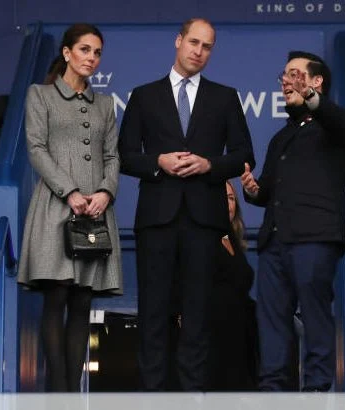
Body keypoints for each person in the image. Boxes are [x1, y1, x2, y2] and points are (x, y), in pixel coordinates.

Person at [118, 18, 255, 391]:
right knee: (153, 315)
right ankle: (153, 398)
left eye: (207, 46)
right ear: (178, 41)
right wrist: (157, 163)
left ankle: (193, 398)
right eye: (193, 42)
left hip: (204, 220)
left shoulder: (225, 97)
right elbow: (125, 156)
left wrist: (211, 165)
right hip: (157, 219)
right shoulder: (144, 96)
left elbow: (245, 155)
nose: (199, 51)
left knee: (197, 316)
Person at [241, 51, 345, 392]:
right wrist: (253, 190)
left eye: (296, 75)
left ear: (316, 82)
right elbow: (267, 194)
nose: (286, 82)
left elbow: (337, 120)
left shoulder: (336, 124)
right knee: (272, 322)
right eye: (285, 76)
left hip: (314, 239)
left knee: (315, 316)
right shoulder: (281, 137)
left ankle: (317, 391)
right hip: (274, 242)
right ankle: (274, 393)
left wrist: (308, 95)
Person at [17, 23, 123, 392]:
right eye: (84, 50)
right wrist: (71, 191)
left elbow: (112, 156)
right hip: (55, 208)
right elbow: (35, 149)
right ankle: (56, 394)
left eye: (97, 52)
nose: (91, 58)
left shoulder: (106, 104)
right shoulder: (40, 95)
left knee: (82, 300)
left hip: (95, 211)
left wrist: (106, 192)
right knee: (57, 295)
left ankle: (71, 396)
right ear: (67, 53)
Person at [206, 180, 258, 391]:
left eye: (230, 198)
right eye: (222, 197)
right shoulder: (205, 238)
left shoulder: (230, 239)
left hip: (237, 336)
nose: (228, 203)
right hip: (216, 338)